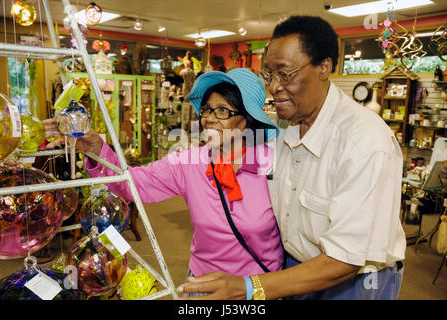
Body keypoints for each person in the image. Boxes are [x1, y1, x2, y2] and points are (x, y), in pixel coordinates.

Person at [177, 15, 406, 300]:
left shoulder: (365, 143)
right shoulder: (284, 126)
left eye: (284, 74)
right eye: (269, 75)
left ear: (324, 68)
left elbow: (345, 259)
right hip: (294, 266)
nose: (273, 87)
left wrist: (250, 287)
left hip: (352, 280)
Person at [43, 68, 283, 292]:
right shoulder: (191, 162)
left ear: (247, 120)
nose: (209, 118)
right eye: (207, 110)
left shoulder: (275, 165)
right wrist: (97, 151)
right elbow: (132, 184)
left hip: (259, 287)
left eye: (222, 110)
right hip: (203, 286)